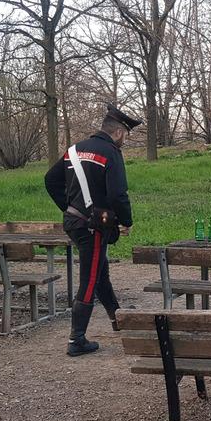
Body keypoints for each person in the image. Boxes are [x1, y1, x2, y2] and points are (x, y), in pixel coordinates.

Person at [44, 103, 141, 357]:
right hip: (92, 227)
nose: (124, 141)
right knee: (89, 280)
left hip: (75, 221)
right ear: (119, 132)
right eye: (126, 136)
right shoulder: (111, 152)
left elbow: (50, 180)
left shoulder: (74, 150)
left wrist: (69, 206)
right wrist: (127, 221)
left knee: (100, 271)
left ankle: (117, 319)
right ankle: (76, 340)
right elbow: (118, 194)